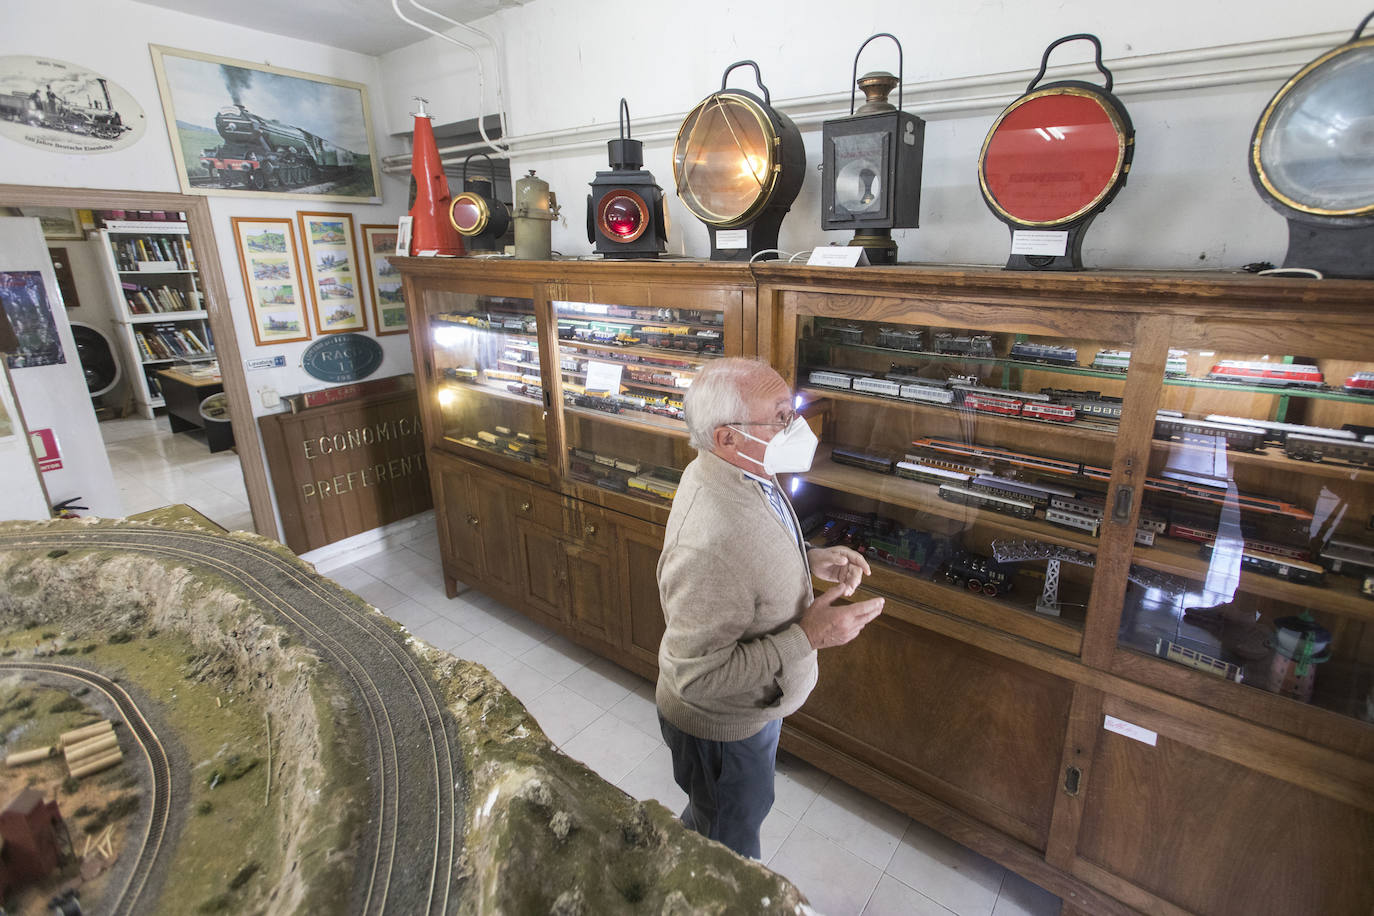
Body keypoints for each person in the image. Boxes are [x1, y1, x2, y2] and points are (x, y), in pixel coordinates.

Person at [656, 357, 885, 859]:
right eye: (780, 417)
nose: (796, 427)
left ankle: (677, 856)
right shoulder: (708, 542)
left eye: (792, 410)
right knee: (729, 847)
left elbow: (754, 555)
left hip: (754, 710)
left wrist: (810, 560)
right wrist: (810, 636)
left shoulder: (744, 471)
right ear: (727, 438)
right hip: (722, 728)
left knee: (715, 817)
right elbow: (697, 677)